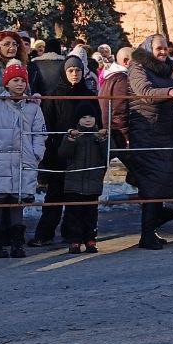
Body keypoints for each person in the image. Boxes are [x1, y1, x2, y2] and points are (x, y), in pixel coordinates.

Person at [30, 55, 99, 247]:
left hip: (83, 154)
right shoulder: (54, 95)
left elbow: (98, 122)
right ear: (64, 72)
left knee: (77, 197)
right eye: (70, 70)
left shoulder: (88, 95)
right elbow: (46, 126)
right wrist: (47, 156)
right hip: (59, 153)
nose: (75, 74)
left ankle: (73, 235)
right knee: (55, 195)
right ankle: (44, 234)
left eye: (77, 70)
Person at [127, 34, 173, 251]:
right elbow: (144, 92)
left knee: (164, 184)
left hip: (166, 131)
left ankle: (150, 229)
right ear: (148, 48)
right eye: (159, 48)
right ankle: (147, 233)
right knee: (152, 184)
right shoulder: (138, 67)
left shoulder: (167, 69)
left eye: (166, 48)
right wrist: (169, 92)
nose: (164, 52)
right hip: (146, 131)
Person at [0, 64, 45, 258]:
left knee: (18, 202)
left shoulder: (33, 108)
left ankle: (17, 244)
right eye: (15, 80)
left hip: (24, 160)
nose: (20, 84)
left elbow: (39, 133)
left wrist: (36, 154)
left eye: (23, 80)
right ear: (6, 83)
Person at [57, 104, 109, 254]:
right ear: (77, 120)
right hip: (74, 183)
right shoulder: (72, 135)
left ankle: (90, 240)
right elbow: (63, 154)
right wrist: (70, 139)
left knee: (91, 214)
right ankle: (74, 241)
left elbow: (108, 155)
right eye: (84, 117)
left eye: (91, 117)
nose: (88, 120)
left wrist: (103, 140)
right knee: (74, 214)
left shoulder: (100, 135)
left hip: (93, 182)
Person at [99, 46, 133, 173]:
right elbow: (120, 109)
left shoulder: (111, 77)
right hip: (118, 131)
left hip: (111, 128)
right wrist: (126, 135)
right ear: (126, 61)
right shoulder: (122, 80)